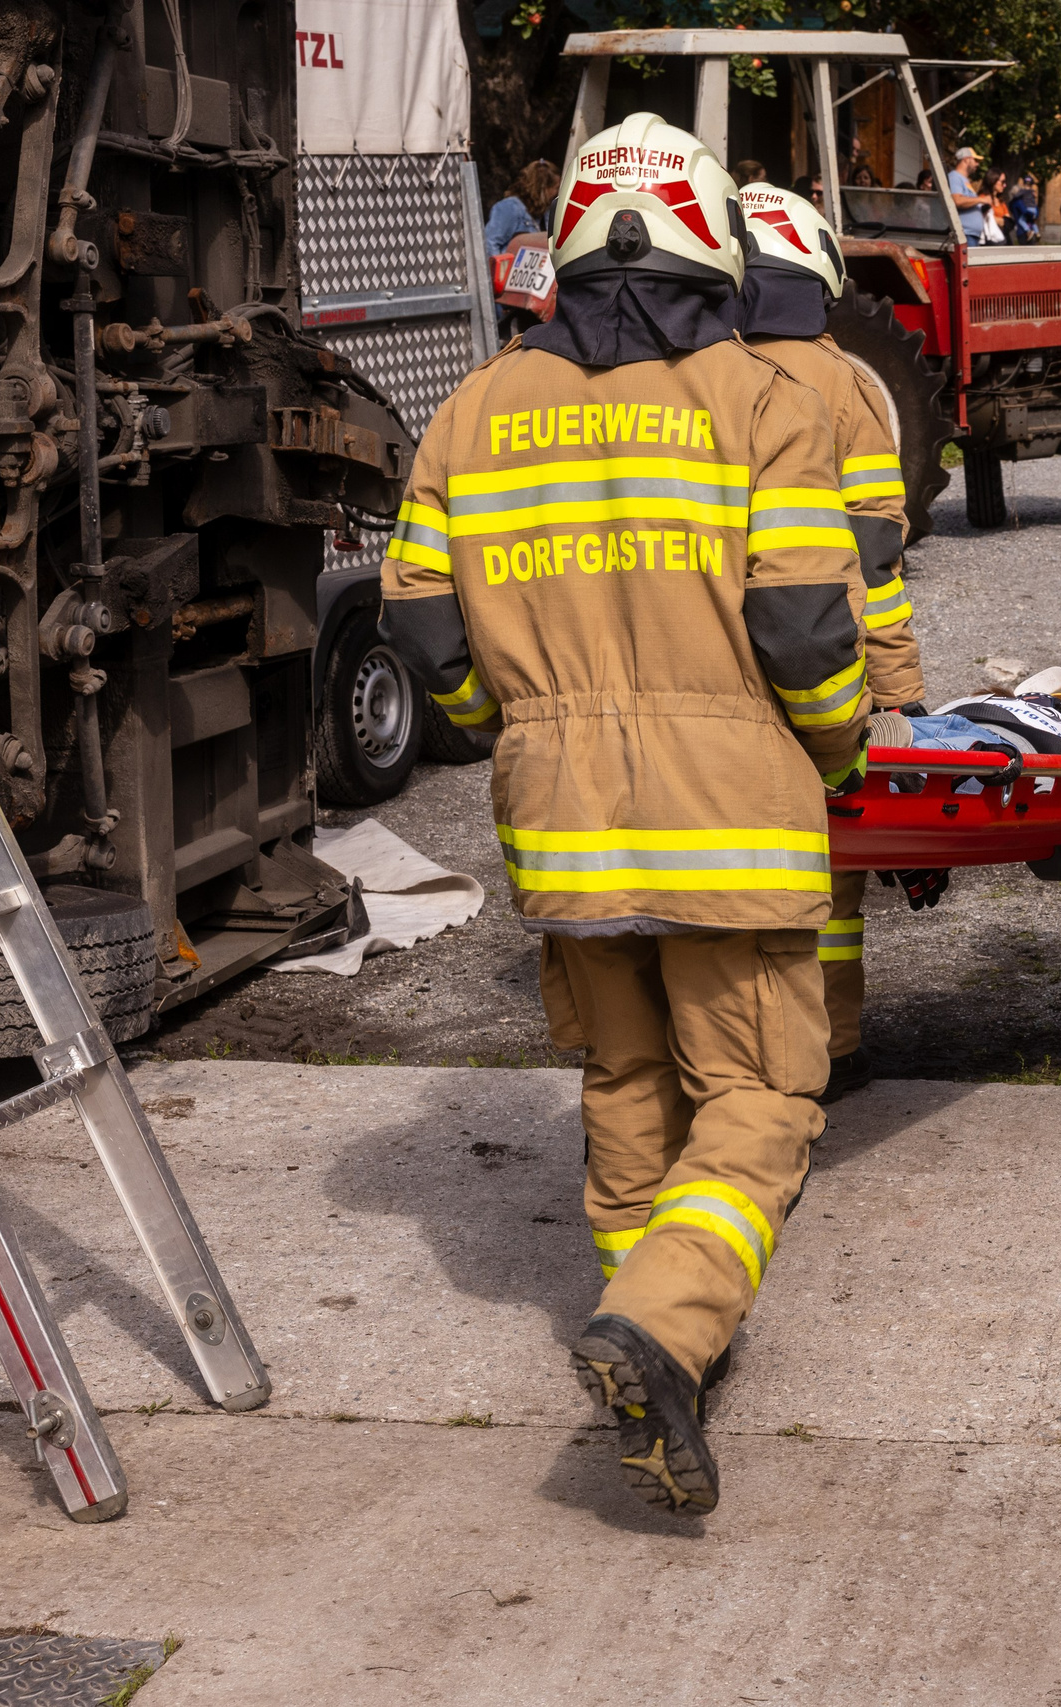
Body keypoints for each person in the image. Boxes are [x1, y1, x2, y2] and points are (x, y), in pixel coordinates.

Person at [378, 115, 865, 1512]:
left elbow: (420, 621)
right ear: (711, 237)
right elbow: (807, 633)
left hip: (564, 826)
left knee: (628, 1085)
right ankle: (662, 1324)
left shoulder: (475, 408)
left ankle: (659, 1344)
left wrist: (506, 730)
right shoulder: (759, 400)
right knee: (763, 1096)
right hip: (736, 820)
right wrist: (829, 757)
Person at [733, 184, 944, 1105]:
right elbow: (875, 564)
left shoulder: (691, 374)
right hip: (824, 666)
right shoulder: (846, 386)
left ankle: (731, 1053)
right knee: (830, 874)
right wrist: (901, 699)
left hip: (717, 673)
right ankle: (835, 1047)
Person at [484, 159, 558, 256]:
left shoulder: (544, 212)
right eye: (556, 188)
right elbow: (490, 242)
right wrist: (498, 269)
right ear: (543, 189)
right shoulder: (510, 208)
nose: (557, 192)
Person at [947, 146, 989, 243]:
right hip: (964, 235)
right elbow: (957, 200)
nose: (977, 164)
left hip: (970, 235)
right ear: (966, 160)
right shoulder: (954, 177)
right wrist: (981, 200)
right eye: (975, 160)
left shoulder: (964, 180)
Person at [1009, 171, 1041, 244]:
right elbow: (1025, 211)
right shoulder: (1019, 201)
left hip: (1021, 230)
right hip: (1024, 231)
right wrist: (1034, 215)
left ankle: (1034, 232)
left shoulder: (1014, 202)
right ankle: (1036, 232)